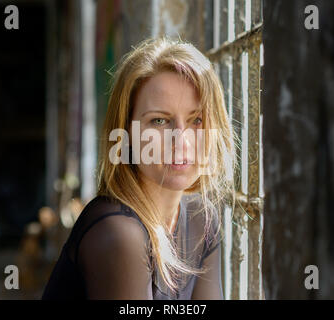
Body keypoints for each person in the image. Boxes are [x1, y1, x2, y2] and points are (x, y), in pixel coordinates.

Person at [42, 36, 238, 300]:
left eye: (197, 120)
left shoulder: (201, 219)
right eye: (159, 120)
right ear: (125, 133)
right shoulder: (119, 232)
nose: (181, 140)